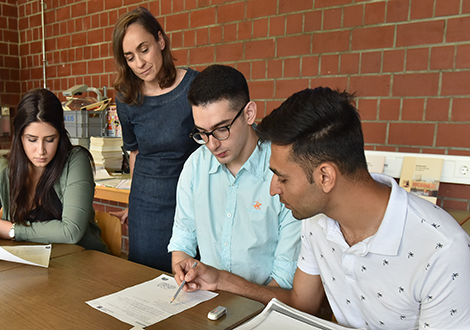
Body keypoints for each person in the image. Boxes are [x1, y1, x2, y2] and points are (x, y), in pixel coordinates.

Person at [174, 87, 470, 329]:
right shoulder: (317, 219)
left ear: (325, 177)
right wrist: (221, 279)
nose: (273, 188)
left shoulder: (444, 251)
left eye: (282, 178)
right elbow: (301, 304)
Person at [168, 65, 301, 289]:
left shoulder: (284, 169)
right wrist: (182, 271)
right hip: (207, 303)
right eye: (202, 132)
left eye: (222, 129)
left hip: (265, 308)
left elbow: (285, 280)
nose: (212, 144)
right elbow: (182, 241)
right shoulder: (195, 165)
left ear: (249, 114)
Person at [0, 88, 107, 262]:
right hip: (29, 267)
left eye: (50, 139)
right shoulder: (3, 169)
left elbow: (71, 231)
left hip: (81, 266)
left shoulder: (75, 161)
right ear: (20, 137)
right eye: (32, 139)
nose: (41, 150)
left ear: (60, 135)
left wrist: (14, 231)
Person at [111, 7, 199, 272]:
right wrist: (132, 203)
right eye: (130, 57)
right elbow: (135, 153)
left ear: (160, 41)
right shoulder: (126, 97)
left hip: (188, 201)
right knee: (144, 279)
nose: (139, 63)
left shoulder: (194, 86)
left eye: (144, 49)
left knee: (188, 282)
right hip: (145, 204)